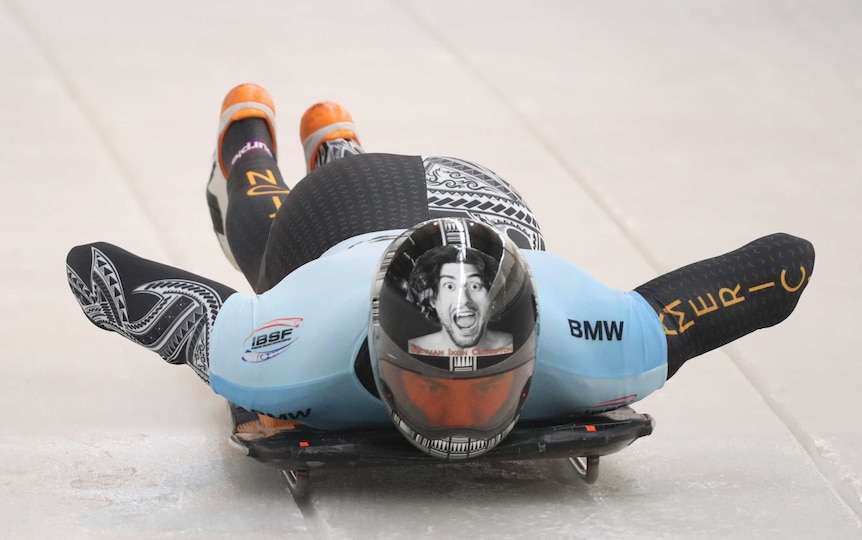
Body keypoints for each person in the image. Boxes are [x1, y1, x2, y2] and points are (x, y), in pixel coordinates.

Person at [65, 84, 815, 461]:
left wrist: (103, 280)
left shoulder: (595, 336)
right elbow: (753, 281)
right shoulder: (288, 348)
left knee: (279, 261)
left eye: (483, 387)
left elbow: (759, 277)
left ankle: (331, 143)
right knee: (268, 244)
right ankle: (249, 151)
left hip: (483, 205)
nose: (461, 421)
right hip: (348, 218)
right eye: (434, 387)